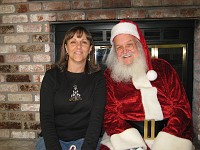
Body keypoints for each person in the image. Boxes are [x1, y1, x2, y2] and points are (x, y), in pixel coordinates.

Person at [100, 20, 194, 150]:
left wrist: (167, 137)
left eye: (129, 45)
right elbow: (109, 115)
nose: (125, 51)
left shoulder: (163, 67)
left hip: (170, 135)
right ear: (115, 52)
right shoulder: (110, 75)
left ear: (139, 46)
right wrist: (134, 144)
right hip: (126, 138)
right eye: (119, 48)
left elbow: (182, 108)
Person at [35, 26, 106, 150]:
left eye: (83, 42)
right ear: (66, 48)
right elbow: (46, 117)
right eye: (73, 42)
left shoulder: (98, 78)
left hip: (87, 140)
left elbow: (97, 118)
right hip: (54, 140)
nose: (78, 47)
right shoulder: (51, 77)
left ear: (90, 48)